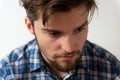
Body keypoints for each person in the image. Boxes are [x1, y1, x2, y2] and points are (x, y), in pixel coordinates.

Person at [0, 0, 120, 79]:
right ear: (30, 26)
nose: (69, 48)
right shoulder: (7, 73)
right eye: (54, 33)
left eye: (79, 30)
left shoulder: (112, 70)